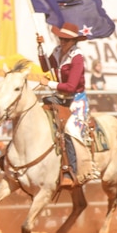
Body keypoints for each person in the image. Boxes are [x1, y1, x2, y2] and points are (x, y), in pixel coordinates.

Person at [37, 22, 92, 188]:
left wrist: (49, 84)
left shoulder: (77, 57)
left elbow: (72, 86)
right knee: (40, 113)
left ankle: (70, 170)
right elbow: (46, 65)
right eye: (61, 38)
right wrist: (40, 47)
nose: (62, 42)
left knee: (70, 131)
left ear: (74, 41)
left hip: (76, 99)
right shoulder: (58, 51)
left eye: (66, 40)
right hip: (61, 97)